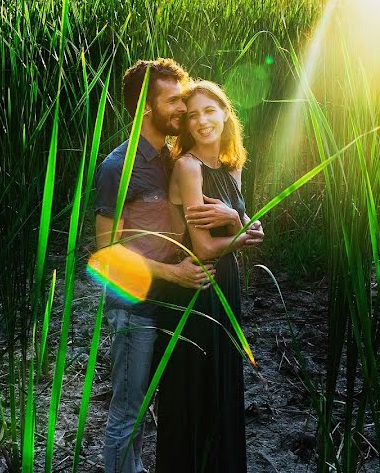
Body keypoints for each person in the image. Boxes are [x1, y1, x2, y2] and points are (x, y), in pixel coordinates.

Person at [94, 59, 243, 473]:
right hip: (137, 308)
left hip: (175, 305)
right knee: (130, 414)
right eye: (174, 101)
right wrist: (173, 274)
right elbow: (106, 253)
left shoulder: (169, 158)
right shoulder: (116, 167)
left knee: (171, 406)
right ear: (146, 108)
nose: (183, 108)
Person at [155, 79, 264, 473]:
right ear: (185, 127)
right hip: (195, 287)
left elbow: (247, 227)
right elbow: (202, 248)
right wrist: (239, 225)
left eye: (209, 111)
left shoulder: (233, 165)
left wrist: (243, 221)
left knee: (222, 384)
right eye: (194, 115)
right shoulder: (188, 167)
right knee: (195, 389)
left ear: (225, 113)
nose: (202, 121)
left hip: (226, 283)